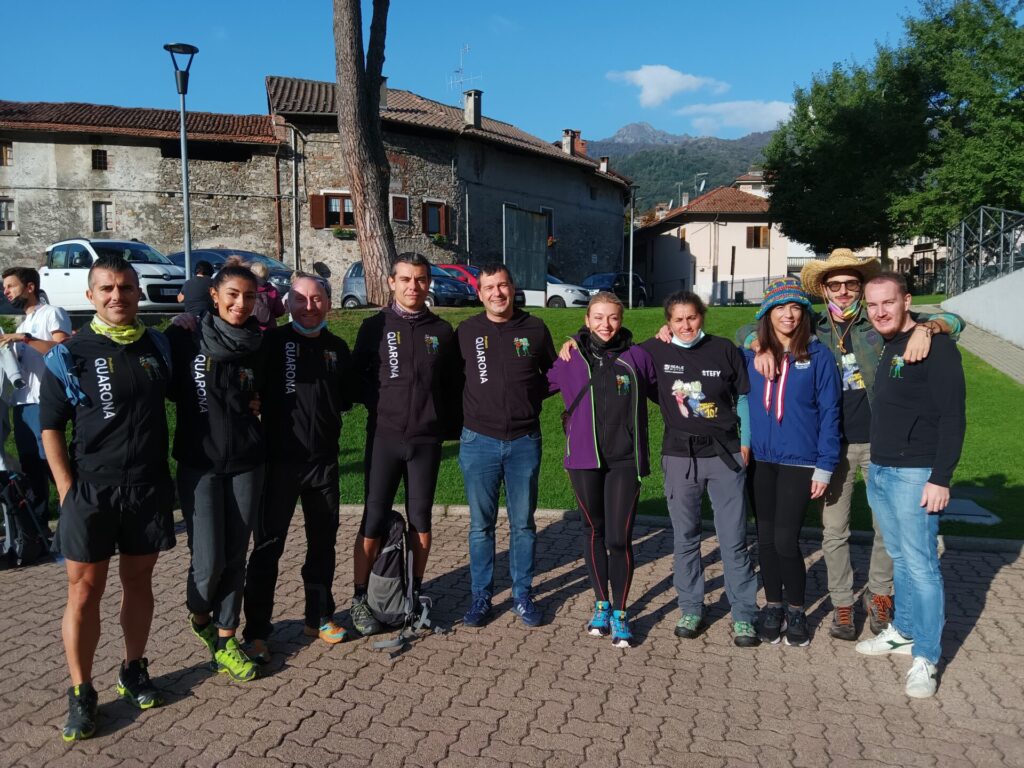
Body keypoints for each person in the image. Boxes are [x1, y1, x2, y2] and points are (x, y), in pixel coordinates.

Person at [738, 248, 963, 640]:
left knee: (884, 530)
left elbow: (955, 321)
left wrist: (929, 328)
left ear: (861, 288)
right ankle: (842, 602)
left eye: (851, 284)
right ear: (823, 289)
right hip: (833, 444)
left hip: (882, 442)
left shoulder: (880, 320)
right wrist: (758, 346)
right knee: (834, 528)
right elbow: (750, 329)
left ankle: (878, 594)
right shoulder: (814, 325)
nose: (843, 292)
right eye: (834, 284)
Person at [40, 255, 176, 740]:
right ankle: (82, 692)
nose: (117, 296)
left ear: (138, 292)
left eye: (125, 288)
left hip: (147, 485)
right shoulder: (70, 353)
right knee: (84, 591)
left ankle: (133, 668)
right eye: (107, 289)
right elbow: (50, 427)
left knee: (139, 583)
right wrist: (66, 489)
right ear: (91, 296)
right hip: (91, 490)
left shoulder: (157, 345)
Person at [855, 272, 966, 699]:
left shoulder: (935, 347)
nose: (880, 311)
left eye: (888, 302)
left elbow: (953, 417)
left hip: (916, 473)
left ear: (907, 301)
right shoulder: (886, 344)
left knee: (921, 565)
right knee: (900, 557)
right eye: (873, 304)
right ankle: (902, 632)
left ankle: (927, 655)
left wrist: (941, 478)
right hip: (881, 470)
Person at [640, 291, 761, 647]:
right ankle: (691, 607)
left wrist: (746, 442)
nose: (686, 325)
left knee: (733, 540)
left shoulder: (724, 349)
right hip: (679, 457)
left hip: (724, 457)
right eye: (677, 319)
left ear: (701, 316)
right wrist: (573, 342)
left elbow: (743, 397)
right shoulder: (656, 351)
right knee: (685, 538)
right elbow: (619, 354)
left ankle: (744, 615)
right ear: (668, 322)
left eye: (691, 317)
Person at [349, 253, 461, 636]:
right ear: (392, 282)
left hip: (425, 442)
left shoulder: (442, 331)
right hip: (385, 437)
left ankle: (413, 592)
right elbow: (356, 375)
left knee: (422, 524)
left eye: (421, 279)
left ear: (429, 283)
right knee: (373, 521)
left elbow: (452, 386)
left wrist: (442, 421)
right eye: (406, 279)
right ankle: (360, 598)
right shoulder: (375, 326)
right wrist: (378, 401)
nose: (414, 286)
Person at [166, 258, 266, 683]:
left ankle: (227, 639)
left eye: (248, 297)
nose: (240, 304)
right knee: (207, 562)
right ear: (214, 295)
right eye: (232, 295)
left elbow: (264, 394)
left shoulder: (258, 343)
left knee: (235, 556)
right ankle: (200, 615)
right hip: (199, 464)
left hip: (246, 462)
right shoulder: (186, 337)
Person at [242, 274, 352, 658]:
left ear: (329, 303)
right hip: (278, 464)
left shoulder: (337, 347)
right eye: (301, 299)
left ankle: (319, 616)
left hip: (323, 464)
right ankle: (257, 631)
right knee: (268, 547)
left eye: (318, 298)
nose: (309, 306)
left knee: (323, 545)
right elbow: (242, 385)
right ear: (287, 304)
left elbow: (350, 395)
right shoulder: (269, 343)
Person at [547, 292, 657, 648]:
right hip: (583, 460)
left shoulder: (638, 357)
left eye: (611, 317)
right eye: (597, 317)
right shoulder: (569, 358)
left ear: (621, 319)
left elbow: (669, 384)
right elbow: (530, 384)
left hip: (625, 461)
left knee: (618, 538)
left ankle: (621, 613)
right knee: (593, 531)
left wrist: (668, 337)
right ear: (586, 319)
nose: (605, 325)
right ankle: (601, 604)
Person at [456, 263, 556, 628]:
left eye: (503, 286)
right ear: (479, 293)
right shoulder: (466, 331)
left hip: (524, 441)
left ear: (513, 289)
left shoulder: (535, 328)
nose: (497, 293)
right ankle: (481, 595)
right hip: (478, 441)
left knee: (523, 524)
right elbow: (451, 379)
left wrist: (531, 399)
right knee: (481, 526)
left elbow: (555, 374)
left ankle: (522, 593)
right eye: (489, 288)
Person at [744, 277, 841, 647]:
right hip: (761, 461)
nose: (788, 314)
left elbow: (831, 414)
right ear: (767, 314)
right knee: (765, 540)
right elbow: (731, 339)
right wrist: (755, 345)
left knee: (786, 540)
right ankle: (773, 605)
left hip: (800, 461)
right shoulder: (750, 356)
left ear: (805, 313)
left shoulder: (818, 357)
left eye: (796, 307)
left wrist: (825, 465)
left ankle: (797, 609)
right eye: (780, 307)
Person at [1, 266, 71, 544]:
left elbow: (61, 350)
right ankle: (40, 529)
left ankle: (77, 520)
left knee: (52, 464)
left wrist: (25, 340)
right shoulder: (21, 324)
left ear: (30, 287)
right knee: (31, 468)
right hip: (21, 403)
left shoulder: (51, 313)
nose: (6, 292)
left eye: (10, 286)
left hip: (44, 401)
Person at [250, 261, 286, 332]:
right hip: (269, 328)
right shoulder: (272, 290)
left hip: (249, 328)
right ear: (267, 275)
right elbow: (280, 311)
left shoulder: (247, 288)